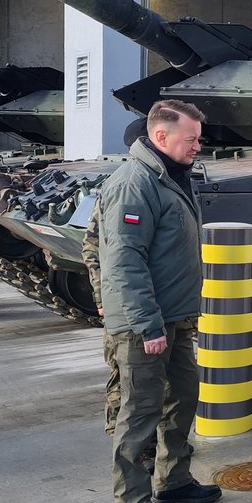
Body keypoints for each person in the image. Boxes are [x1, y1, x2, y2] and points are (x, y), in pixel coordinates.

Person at [99, 101, 220, 503]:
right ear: (162, 137)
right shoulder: (135, 183)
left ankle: (173, 481)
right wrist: (148, 325)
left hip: (174, 317)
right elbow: (124, 260)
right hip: (144, 324)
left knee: (183, 396)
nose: (198, 146)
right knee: (139, 413)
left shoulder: (169, 177)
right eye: (191, 139)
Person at [83, 116, 148, 441]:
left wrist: (100, 298)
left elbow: (91, 247)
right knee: (130, 379)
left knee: (124, 375)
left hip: (117, 301)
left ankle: (127, 437)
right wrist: (103, 299)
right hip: (129, 306)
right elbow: (100, 250)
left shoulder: (120, 182)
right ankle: (131, 446)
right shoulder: (129, 186)